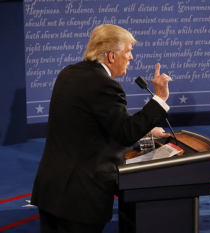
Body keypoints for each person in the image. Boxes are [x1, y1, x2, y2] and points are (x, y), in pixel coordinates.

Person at [31, 24, 172, 232]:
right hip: (80, 199)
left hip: (52, 190)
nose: (131, 58)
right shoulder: (104, 85)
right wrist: (159, 98)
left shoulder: (69, 73)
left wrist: (148, 132)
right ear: (112, 56)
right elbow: (125, 133)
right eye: (128, 52)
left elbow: (91, 128)